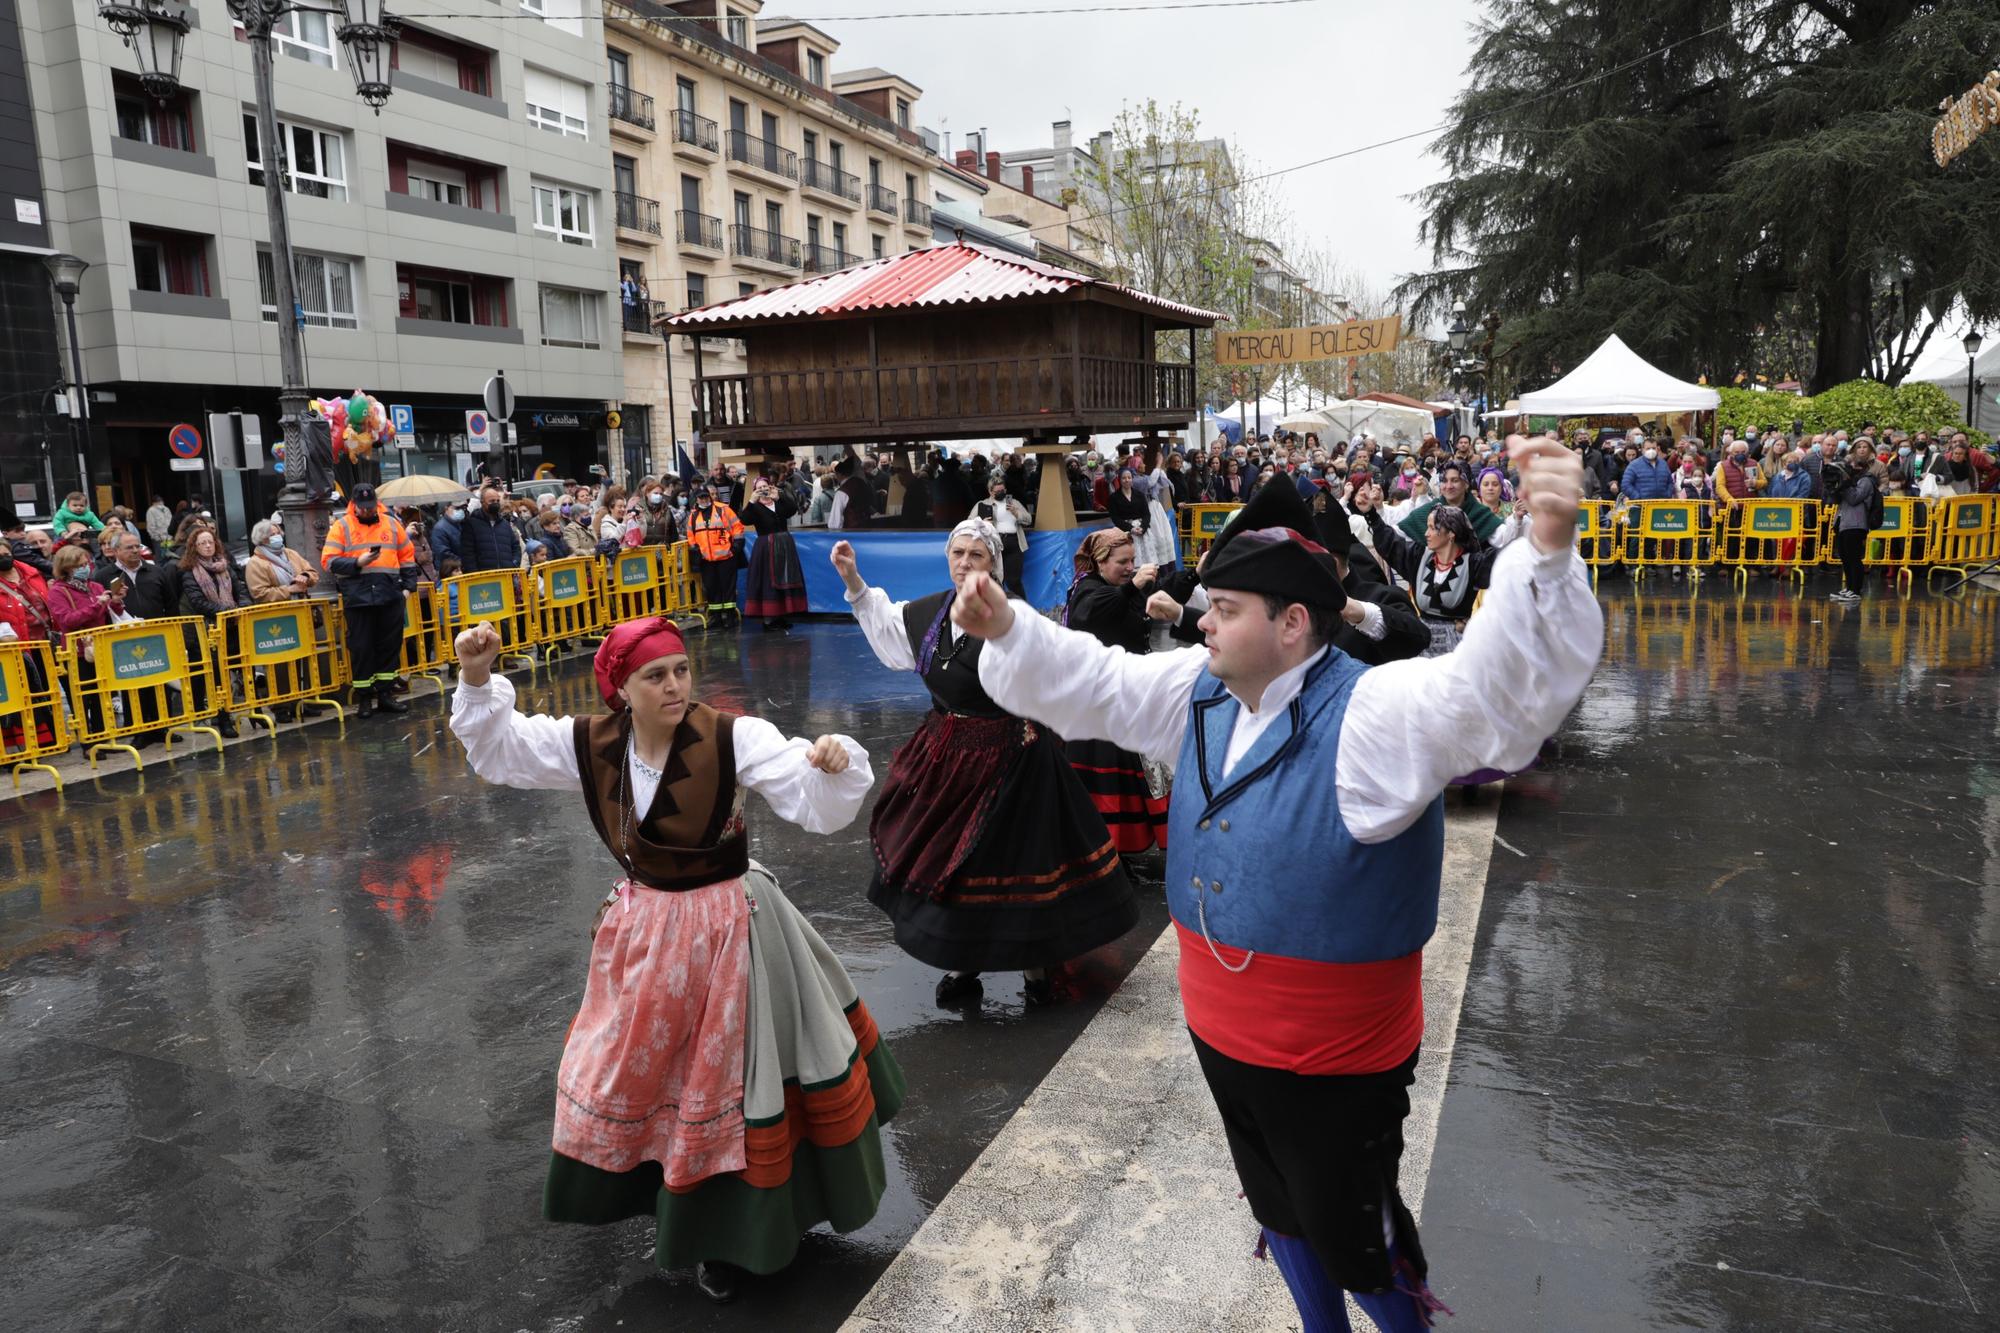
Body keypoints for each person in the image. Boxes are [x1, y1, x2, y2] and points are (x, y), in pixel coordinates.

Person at [948, 434, 1601, 1333]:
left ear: (1292, 622)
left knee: (1352, 1228)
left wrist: (1547, 554)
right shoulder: (1201, 690)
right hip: (1223, 1029)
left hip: (1338, 1052)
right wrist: (1008, 629)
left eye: (1225, 607)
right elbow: (1099, 682)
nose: (1202, 622)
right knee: (1276, 1204)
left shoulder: (1374, 710)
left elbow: (1491, 697)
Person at [449, 616, 901, 1305]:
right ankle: (665, 1196)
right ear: (622, 689)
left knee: (730, 1085)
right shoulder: (592, 745)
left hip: (733, 933)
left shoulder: (730, 736)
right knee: (646, 1075)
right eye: (655, 675)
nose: (675, 684)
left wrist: (834, 761)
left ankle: (733, 1236)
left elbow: (810, 796)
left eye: (682, 669)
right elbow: (500, 749)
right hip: (648, 937)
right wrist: (477, 678)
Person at [833, 521, 1140, 1008]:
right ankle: (965, 960)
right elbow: (888, 628)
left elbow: (1052, 673)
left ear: (993, 562)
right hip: (947, 754)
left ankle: (1036, 968)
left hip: (1011, 759)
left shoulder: (1012, 617)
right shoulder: (930, 612)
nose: (965, 562)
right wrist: (853, 580)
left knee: (1015, 865)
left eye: (976, 554)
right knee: (957, 863)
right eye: (958, 553)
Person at [1061, 530, 1169, 854]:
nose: (1130, 567)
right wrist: (1132, 586)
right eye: (1123, 562)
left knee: (1132, 777)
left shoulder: (1120, 589)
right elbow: (1089, 614)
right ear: (1099, 562)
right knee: (1104, 782)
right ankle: (1101, 849)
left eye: (1133, 561)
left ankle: (1118, 847)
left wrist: (1194, 576)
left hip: (1128, 695)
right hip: (1097, 706)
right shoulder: (1087, 590)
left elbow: (1163, 599)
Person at [1358, 482, 1501, 657]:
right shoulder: (1418, 557)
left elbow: (1508, 565)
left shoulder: (1474, 564)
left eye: (1433, 528)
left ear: (1451, 533)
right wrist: (1370, 514)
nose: (1426, 533)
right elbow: (1391, 544)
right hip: (1420, 643)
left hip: (1457, 649)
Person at [322, 483, 418, 715]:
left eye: (371, 507)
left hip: (389, 596)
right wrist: (357, 563)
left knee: (389, 647)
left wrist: (407, 589)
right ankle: (365, 698)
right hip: (359, 598)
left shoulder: (392, 524)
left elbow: (407, 557)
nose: (367, 511)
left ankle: (385, 694)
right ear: (354, 505)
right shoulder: (341, 527)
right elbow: (329, 561)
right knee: (362, 648)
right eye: (363, 508)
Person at [177, 526, 248, 738]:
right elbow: (198, 602)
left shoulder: (225, 566)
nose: (208, 546)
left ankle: (251, 711)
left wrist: (241, 606)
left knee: (238, 667)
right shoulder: (190, 571)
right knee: (214, 674)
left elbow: (241, 590)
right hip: (206, 630)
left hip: (231, 627)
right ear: (194, 547)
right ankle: (221, 717)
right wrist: (226, 611)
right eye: (202, 543)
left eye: (210, 542)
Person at [740, 476, 805, 630]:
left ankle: (781, 616)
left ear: (770, 487)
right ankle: (769, 620)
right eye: (759, 487)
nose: (763, 489)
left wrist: (780, 496)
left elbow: (792, 509)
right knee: (769, 583)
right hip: (766, 548)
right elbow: (744, 519)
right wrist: (751, 501)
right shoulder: (754, 507)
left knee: (784, 580)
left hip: (783, 546)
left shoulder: (777, 502)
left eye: (765, 486)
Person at [1830, 440, 1881, 603]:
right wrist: (1834, 486)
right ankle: (1849, 588)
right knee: (1845, 556)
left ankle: (1855, 589)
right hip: (1843, 521)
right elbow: (1838, 499)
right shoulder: (1851, 481)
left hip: (1857, 523)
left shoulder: (1866, 480)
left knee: (1853, 557)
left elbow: (1854, 498)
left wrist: (1844, 485)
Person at [686, 486, 745, 621]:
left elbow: (737, 527)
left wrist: (735, 547)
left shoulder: (723, 509)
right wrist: (695, 550)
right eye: (701, 497)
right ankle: (716, 617)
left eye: (706, 496)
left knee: (728, 587)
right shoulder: (693, 516)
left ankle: (730, 616)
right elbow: (690, 535)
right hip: (706, 559)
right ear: (697, 499)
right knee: (712, 589)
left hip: (726, 557)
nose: (704, 499)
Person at [92, 530, 180, 619]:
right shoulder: (102, 576)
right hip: (123, 631)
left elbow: (172, 606)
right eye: (129, 547)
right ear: (116, 551)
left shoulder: (157, 572)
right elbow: (100, 611)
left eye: (137, 546)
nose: (135, 550)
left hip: (159, 629)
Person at [972, 476, 1033, 598]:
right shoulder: (982, 504)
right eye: (997, 491)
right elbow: (969, 522)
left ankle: (1023, 608)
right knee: (996, 579)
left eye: (1003, 490)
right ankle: (999, 609)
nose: (1001, 493)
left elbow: (1029, 520)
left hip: (1014, 542)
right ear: (990, 491)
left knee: (1013, 581)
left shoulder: (1014, 503)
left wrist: (1017, 513)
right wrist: (982, 522)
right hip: (994, 544)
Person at [460, 484, 524, 574]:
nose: (495, 503)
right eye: (492, 501)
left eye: (497, 500)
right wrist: (475, 574)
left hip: (506, 576)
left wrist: (514, 564)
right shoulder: (471, 524)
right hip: (484, 580)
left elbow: (516, 547)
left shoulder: (505, 524)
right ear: (482, 502)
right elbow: (468, 554)